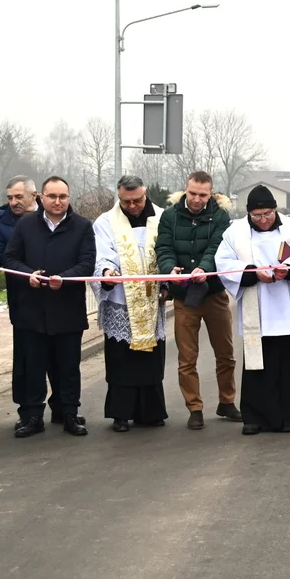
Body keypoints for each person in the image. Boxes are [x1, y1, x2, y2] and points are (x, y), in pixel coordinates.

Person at [216, 185, 290, 435]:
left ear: (275, 209)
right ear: (249, 213)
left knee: (288, 362)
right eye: (257, 215)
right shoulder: (235, 231)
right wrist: (252, 271)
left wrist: (289, 267)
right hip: (256, 304)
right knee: (257, 363)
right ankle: (254, 417)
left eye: (268, 214)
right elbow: (223, 262)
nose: (263, 220)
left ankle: (287, 416)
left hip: (286, 304)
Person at [1, 176, 95, 437]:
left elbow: (88, 263)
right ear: (40, 198)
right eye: (51, 196)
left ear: (69, 197)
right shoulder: (26, 225)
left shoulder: (83, 227)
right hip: (31, 310)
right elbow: (10, 258)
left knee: (67, 366)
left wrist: (64, 279)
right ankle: (31, 416)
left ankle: (68, 413)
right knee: (32, 366)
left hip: (67, 309)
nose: (57, 201)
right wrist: (28, 274)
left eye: (62, 196)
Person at [155, 171, 240, 430]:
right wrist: (169, 269)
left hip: (213, 293)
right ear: (186, 189)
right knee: (187, 356)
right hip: (184, 297)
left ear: (211, 194)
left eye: (203, 195)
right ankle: (195, 407)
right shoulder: (170, 216)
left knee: (225, 353)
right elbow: (164, 248)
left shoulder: (221, 217)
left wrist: (203, 269)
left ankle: (227, 401)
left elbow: (217, 248)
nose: (196, 199)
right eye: (192, 193)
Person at [92, 176, 169, 432]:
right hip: (121, 299)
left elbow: (166, 251)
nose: (134, 206)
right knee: (121, 359)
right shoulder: (105, 222)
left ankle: (151, 412)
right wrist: (107, 272)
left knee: (151, 358)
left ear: (145, 194)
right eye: (127, 201)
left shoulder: (162, 217)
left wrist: (167, 284)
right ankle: (121, 413)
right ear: (119, 197)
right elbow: (102, 253)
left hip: (151, 298)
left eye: (138, 200)